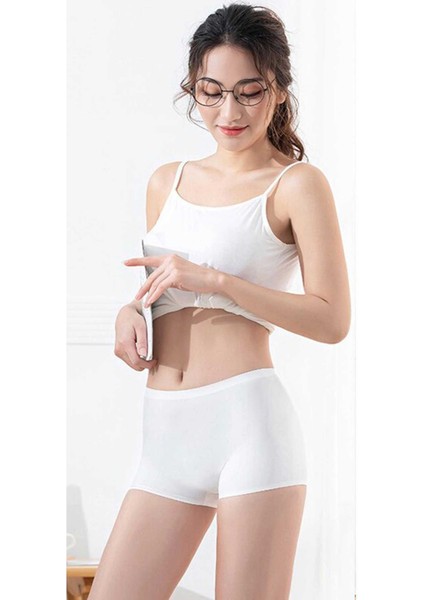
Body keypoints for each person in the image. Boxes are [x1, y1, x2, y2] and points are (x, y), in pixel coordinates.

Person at [88, 3, 351, 599]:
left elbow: (333, 319)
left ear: (278, 89)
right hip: (164, 434)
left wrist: (219, 281)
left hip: (249, 429)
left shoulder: (296, 184)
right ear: (193, 88)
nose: (229, 112)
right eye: (211, 92)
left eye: (249, 92)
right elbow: (160, 289)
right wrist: (130, 312)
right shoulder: (167, 181)